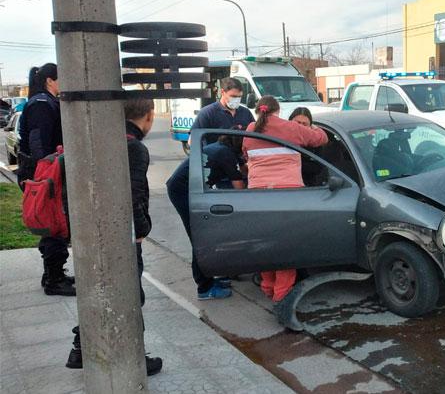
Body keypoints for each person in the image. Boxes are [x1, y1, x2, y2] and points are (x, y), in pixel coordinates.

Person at [66, 99, 162, 375]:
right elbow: (133, 195)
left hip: (93, 229)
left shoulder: (99, 137)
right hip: (122, 233)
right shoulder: (133, 147)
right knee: (131, 295)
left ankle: (81, 347)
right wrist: (142, 230)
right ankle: (134, 357)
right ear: (149, 115)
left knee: (103, 289)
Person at [242, 97, 328, 303]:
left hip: (258, 197)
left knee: (265, 243)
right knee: (285, 247)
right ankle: (282, 297)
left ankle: (268, 287)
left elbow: (246, 155)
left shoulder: (250, 129)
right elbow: (322, 138)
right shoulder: (290, 128)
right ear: (278, 111)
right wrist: (313, 128)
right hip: (287, 196)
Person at [166, 126, 249, 300]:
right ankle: (204, 288)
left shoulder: (220, 148)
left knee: (205, 237)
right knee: (199, 238)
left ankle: (210, 279)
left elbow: (241, 169)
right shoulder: (225, 154)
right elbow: (239, 187)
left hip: (183, 188)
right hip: (182, 192)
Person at [17, 63, 75, 296]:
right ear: (50, 80)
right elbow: (39, 144)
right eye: (63, 79)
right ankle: (54, 279)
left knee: (54, 224)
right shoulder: (41, 104)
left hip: (47, 173)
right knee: (53, 224)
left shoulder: (46, 102)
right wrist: (49, 176)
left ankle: (53, 273)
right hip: (45, 175)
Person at [189, 77, 254, 147]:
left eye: (239, 97)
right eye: (233, 96)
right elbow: (192, 140)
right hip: (215, 156)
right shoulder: (207, 113)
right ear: (222, 92)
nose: (237, 100)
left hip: (241, 157)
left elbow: (255, 136)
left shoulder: (246, 113)